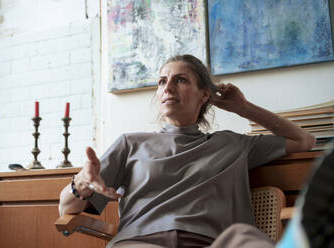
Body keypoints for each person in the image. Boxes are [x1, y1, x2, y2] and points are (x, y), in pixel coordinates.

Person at [59, 54, 316, 248]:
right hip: (141, 242)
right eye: (162, 81)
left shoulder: (233, 144)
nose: (168, 87)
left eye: (180, 80)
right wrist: (82, 181)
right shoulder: (130, 144)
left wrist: (244, 107)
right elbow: (65, 209)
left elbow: (303, 140)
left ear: (205, 95)